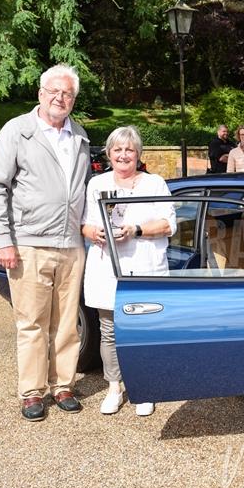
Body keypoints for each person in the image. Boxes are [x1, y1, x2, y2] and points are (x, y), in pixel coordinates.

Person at [0, 64, 90, 421]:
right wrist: (3, 240)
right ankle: (31, 392)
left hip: (72, 245)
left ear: (73, 99)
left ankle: (63, 385)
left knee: (67, 322)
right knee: (31, 322)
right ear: (41, 93)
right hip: (28, 243)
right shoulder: (18, 131)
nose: (60, 98)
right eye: (54, 91)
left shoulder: (80, 136)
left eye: (67, 94)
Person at [81, 126, 176, 416]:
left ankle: (144, 388)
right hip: (107, 268)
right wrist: (93, 233)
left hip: (145, 266)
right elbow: (84, 224)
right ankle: (114, 387)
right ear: (109, 154)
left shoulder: (155, 183)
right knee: (109, 331)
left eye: (129, 150)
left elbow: (169, 224)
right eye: (118, 150)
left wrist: (135, 230)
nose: (123, 155)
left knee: (144, 331)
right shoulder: (96, 184)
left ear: (138, 154)